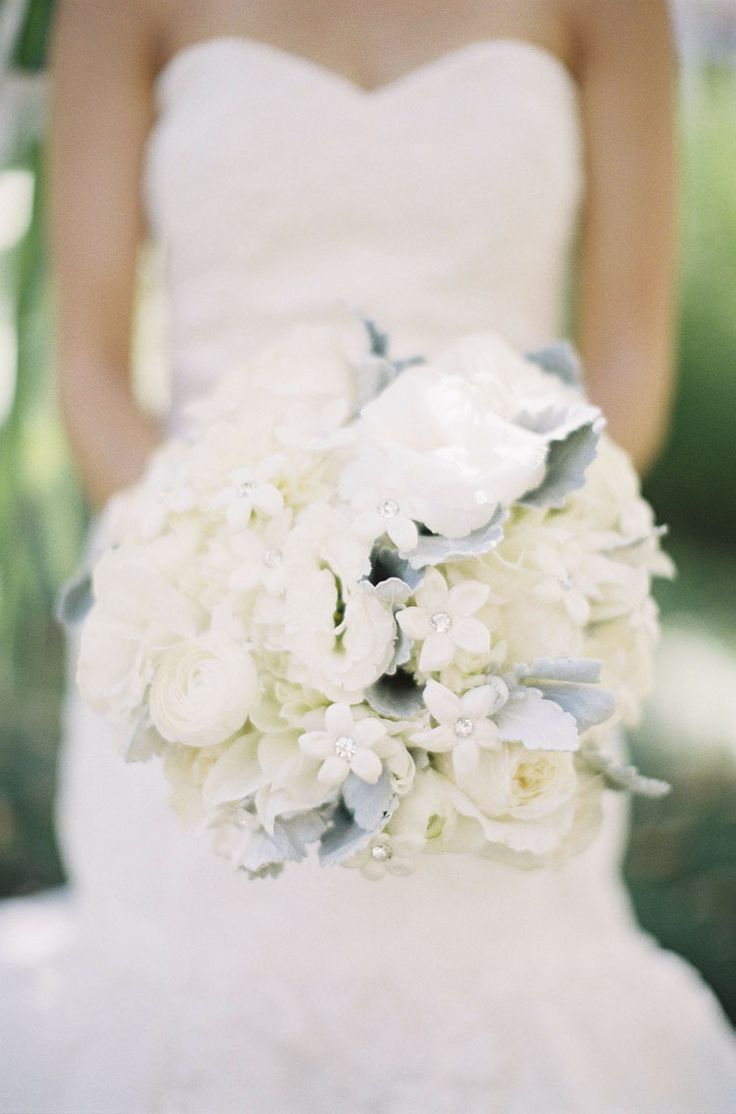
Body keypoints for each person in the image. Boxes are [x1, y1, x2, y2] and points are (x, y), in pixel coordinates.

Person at [2, 1, 736, 1110]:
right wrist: (235, 573)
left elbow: (629, 360)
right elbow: (93, 370)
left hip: (504, 632)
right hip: (206, 613)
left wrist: (504, 557)